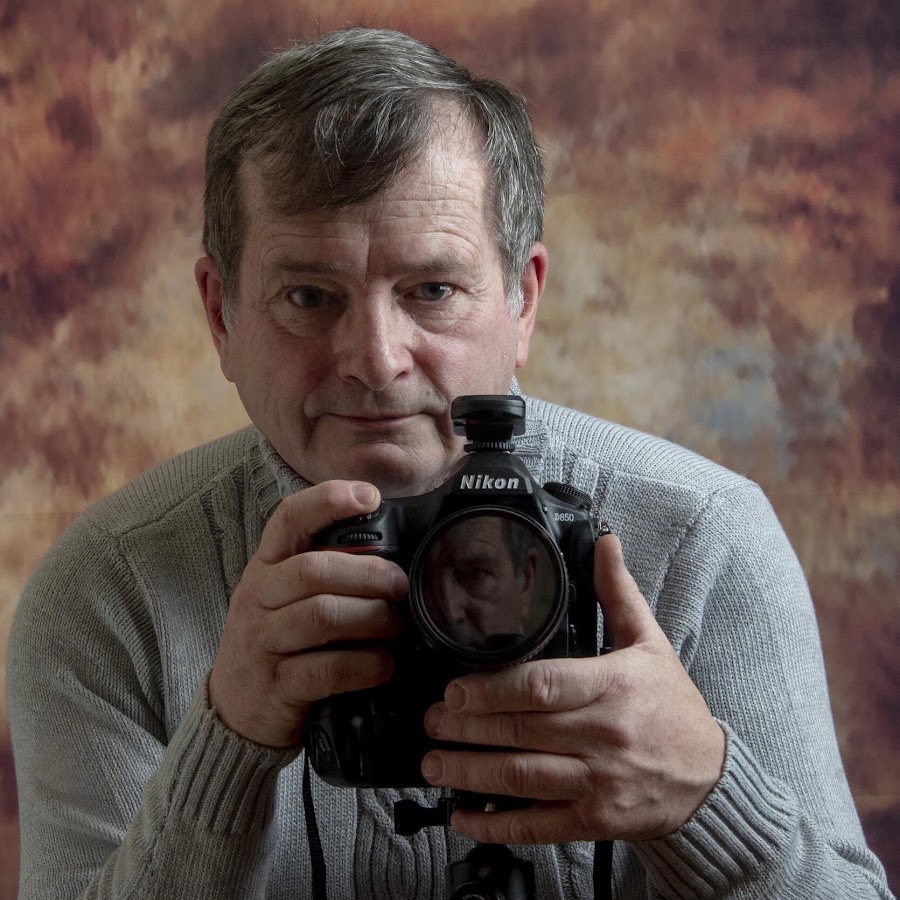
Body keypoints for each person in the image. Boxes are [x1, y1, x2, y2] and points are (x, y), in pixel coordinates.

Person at [7, 26, 893, 900]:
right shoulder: (111, 592)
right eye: (308, 296)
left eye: (432, 290)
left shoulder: (700, 541)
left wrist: (705, 799)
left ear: (523, 300)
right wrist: (229, 739)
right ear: (221, 315)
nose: (375, 358)